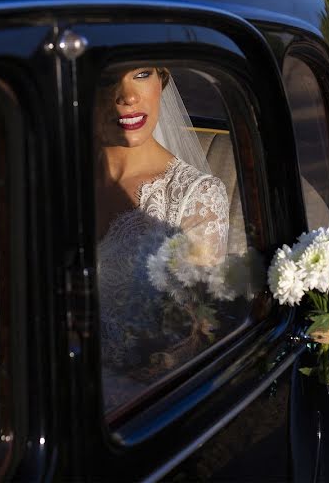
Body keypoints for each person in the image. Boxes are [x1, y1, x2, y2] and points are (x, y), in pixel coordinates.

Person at [94, 66, 229, 407]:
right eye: (108, 77)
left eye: (141, 74)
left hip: (138, 404)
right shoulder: (45, 176)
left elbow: (192, 341)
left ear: (162, 81)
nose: (127, 96)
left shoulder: (195, 197)